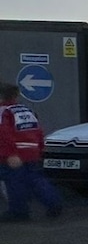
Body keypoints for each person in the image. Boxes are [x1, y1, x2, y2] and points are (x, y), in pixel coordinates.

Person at [0, 81, 63, 221]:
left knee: (14, 183)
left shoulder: (2, 111)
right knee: (35, 179)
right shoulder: (25, 110)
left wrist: (10, 153)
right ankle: (53, 202)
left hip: (14, 153)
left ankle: (19, 212)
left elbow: (3, 134)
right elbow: (38, 130)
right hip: (31, 150)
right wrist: (39, 148)